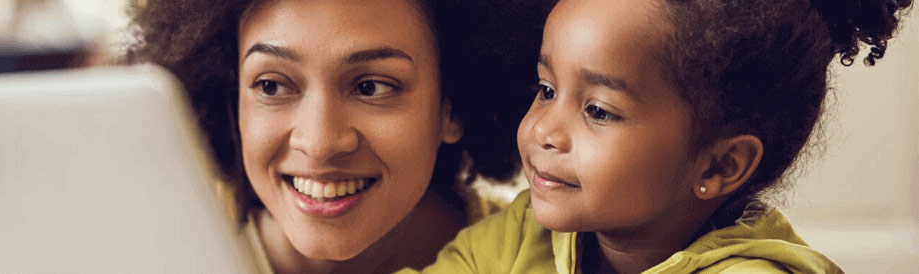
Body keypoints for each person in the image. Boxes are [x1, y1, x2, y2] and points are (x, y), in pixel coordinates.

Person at [403, 0, 911, 273]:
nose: (543, 130)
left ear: (719, 166)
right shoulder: (523, 234)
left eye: (598, 111)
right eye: (546, 88)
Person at [129, 0, 553, 272]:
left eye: (372, 87)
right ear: (230, 99)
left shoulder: (546, 257)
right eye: (272, 86)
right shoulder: (146, 246)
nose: (320, 142)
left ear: (454, 104)